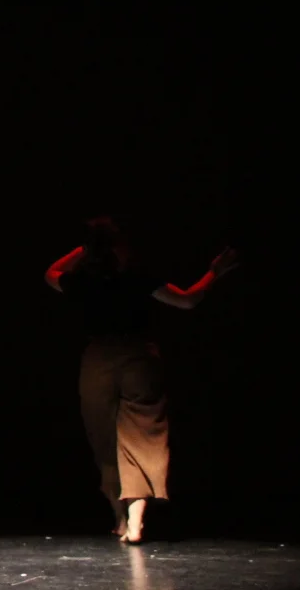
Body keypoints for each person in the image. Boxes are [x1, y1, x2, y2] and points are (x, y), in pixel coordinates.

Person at [46, 217, 238, 543]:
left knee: (104, 438)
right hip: (139, 357)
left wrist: (87, 248)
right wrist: (214, 272)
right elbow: (188, 300)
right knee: (142, 434)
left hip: (99, 359)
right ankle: (135, 523)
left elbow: (50, 273)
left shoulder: (83, 281)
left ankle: (121, 519)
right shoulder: (138, 278)